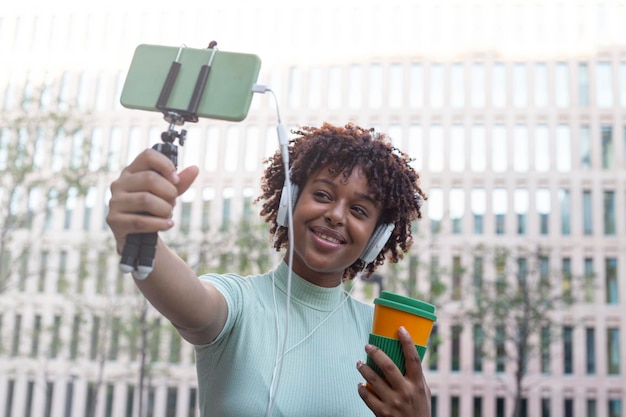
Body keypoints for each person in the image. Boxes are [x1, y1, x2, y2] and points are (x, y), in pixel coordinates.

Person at [106, 122, 430, 417]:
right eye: (322, 194)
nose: (336, 215)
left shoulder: (383, 336)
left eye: (359, 210)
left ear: (376, 237)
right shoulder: (239, 302)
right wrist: (138, 235)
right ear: (290, 199)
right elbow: (189, 301)